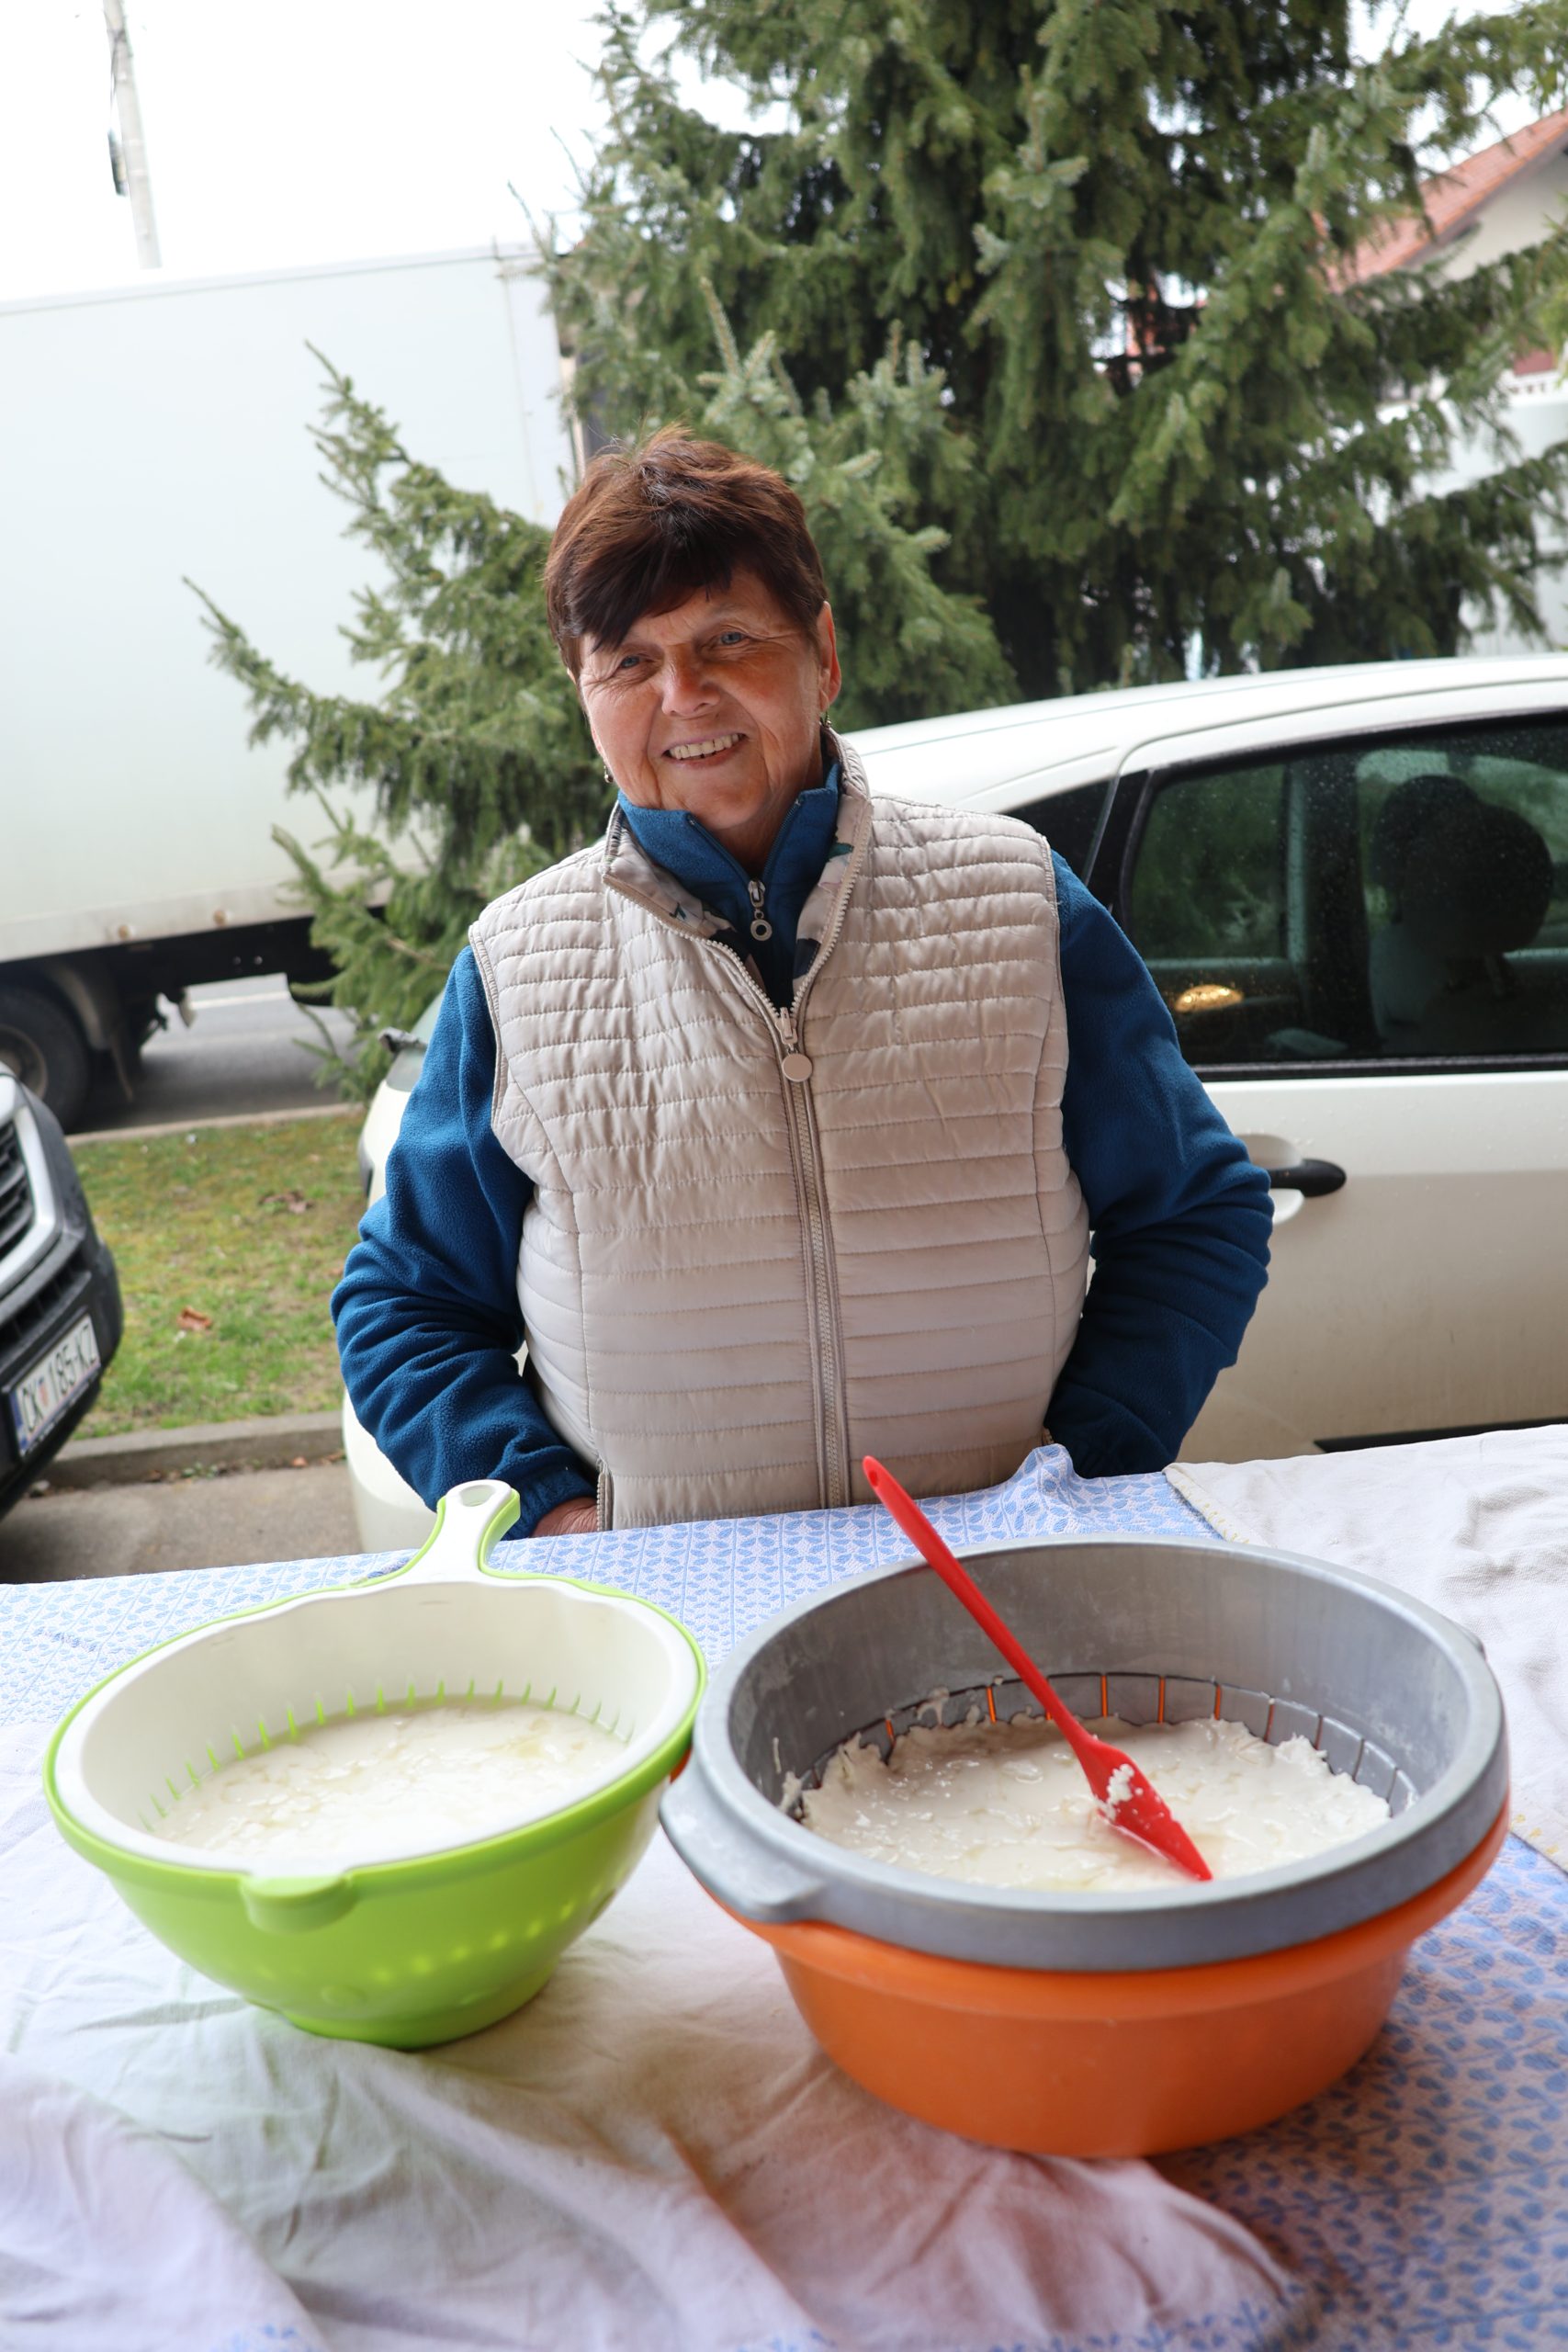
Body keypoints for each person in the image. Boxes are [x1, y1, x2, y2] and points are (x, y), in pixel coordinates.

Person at [334, 432, 1272, 1537]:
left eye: (728, 639)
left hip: (997, 1589)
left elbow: (1196, 1216)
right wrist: (550, 1516)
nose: (684, 694)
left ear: (822, 654)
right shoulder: (514, 968)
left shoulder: (1021, 905)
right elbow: (404, 1307)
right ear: (583, 692)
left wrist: (1085, 1469)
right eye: (628, 661)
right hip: (673, 1611)